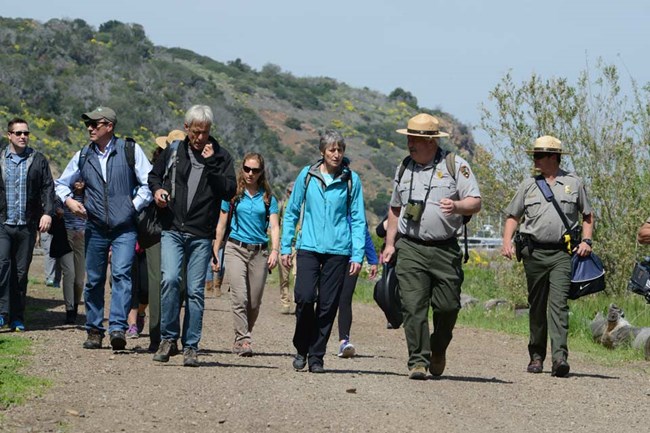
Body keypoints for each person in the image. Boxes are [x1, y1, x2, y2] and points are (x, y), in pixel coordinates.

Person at [383, 113, 481, 380]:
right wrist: (390, 243)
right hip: (411, 247)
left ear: (431, 142)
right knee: (413, 307)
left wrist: (458, 206)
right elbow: (395, 208)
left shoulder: (454, 165)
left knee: (448, 307)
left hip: (444, 249)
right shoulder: (403, 168)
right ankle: (417, 361)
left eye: (414, 139)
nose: (410, 144)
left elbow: (475, 201)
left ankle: (438, 349)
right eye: (409, 138)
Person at [55, 106, 153, 350]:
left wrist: (132, 206)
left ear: (109, 126)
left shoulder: (130, 150)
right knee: (95, 280)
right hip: (96, 227)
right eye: (88, 124)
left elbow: (149, 183)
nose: (89, 128)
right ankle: (95, 329)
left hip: (125, 228)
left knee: (121, 275)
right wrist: (69, 201)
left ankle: (117, 327)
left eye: (95, 124)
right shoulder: (83, 155)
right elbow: (60, 184)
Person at [149, 105, 236, 367]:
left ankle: (191, 346)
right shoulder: (173, 151)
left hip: (201, 233)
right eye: (197, 132)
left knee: (196, 291)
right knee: (171, 280)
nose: (201, 138)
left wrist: (211, 164)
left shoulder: (221, 156)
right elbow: (154, 176)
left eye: (205, 132)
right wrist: (158, 192)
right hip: (173, 227)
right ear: (187, 129)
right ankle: (168, 339)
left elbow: (229, 191)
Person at [501, 135, 593, 378]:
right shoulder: (528, 185)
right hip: (534, 253)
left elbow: (588, 215)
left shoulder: (574, 183)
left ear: (553, 157)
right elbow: (513, 216)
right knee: (537, 306)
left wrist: (586, 241)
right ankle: (536, 356)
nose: (535, 160)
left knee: (559, 305)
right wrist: (506, 242)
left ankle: (560, 357)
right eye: (534, 155)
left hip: (562, 254)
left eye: (539, 155)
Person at [281, 129, 366, 374]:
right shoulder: (307, 176)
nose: (336, 154)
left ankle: (316, 356)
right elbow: (292, 212)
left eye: (340, 150)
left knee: (328, 306)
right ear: (322, 152)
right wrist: (286, 246)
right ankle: (301, 347)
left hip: (338, 250)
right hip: (308, 247)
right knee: (305, 298)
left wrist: (357, 254)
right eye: (332, 150)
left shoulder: (352, 180)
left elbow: (358, 219)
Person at [213, 153, 280, 357]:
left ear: (261, 172)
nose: (250, 174)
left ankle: (242, 335)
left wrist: (275, 251)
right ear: (242, 169)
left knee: (254, 302)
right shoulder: (233, 195)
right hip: (235, 248)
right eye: (247, 169)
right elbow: (222, 225)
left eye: (255, 170)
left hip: (259, 251)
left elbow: (275, 226)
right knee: (239, 296)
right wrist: (216, 249)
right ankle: (244, 339)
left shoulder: (269, 198)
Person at [0, 118, 55, 331]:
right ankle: (2, 313)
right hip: (3, 223)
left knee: (21, 272)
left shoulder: (37, 160)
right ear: (9, 135)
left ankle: (17, 316)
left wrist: (47, 213)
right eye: (18, 133)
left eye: (26, 133)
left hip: (27, 224)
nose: (23, 136)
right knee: (2, 266)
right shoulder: (1, 159)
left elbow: (47, 188)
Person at [337, 224, 378, 358]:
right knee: (326, 300)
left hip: (352, 259)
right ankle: (316, 340)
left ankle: (344, 341)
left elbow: (363, 233)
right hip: (330, 256)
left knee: (345, 299)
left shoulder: (356, 208)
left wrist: (373, 260)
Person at [61, 179, 86, 324]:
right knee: (69, 273)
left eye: (82, 180)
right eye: (76, 179)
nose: (79, 182)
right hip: (66, 236)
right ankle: (69, 309)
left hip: (82, 237)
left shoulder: (90, 195)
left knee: (79, 279)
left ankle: (76, 304)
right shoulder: (64, 194)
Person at [277, 181, 296, 314]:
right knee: (284, 277)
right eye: (289, 192)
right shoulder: (282, 206)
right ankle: (285, 303)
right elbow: (275, 225)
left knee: (298, 276)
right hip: (283, 245)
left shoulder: (303, 206)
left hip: (298, 245)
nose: (290, 194)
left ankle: (297, 302)